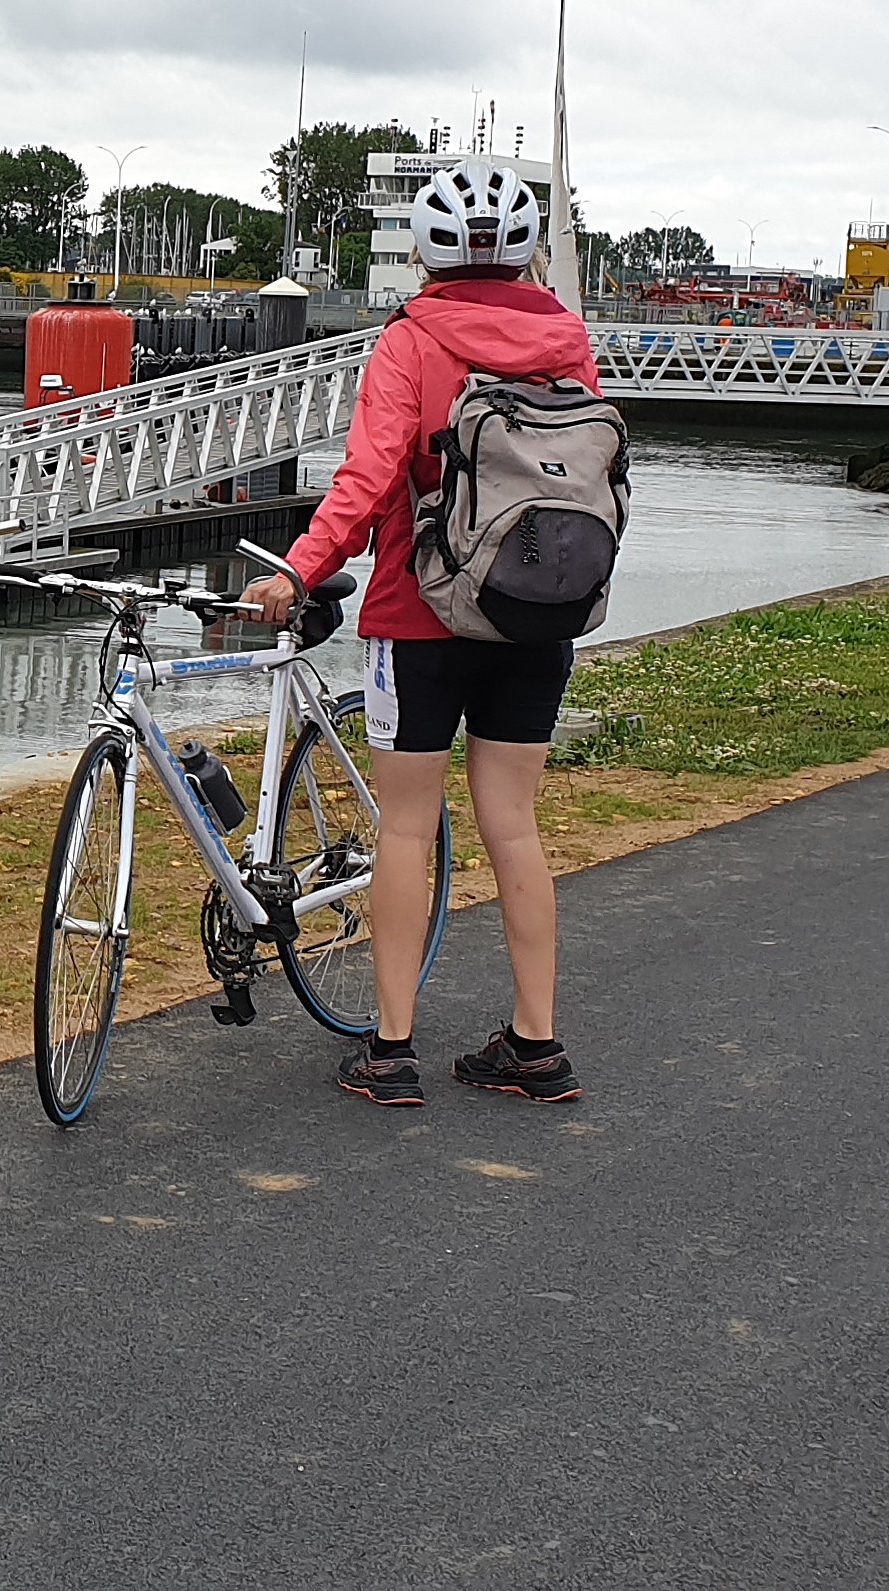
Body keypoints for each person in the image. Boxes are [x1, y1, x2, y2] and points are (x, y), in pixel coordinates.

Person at [241, 159, 595, 1108]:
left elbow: (365, 483)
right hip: (537, 610)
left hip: (420, 611)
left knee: (406, 825)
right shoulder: (568, 339)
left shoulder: (411, 339)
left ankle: (390, 1051)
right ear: (524, 249)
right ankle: (535, 1045)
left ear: (427, 252)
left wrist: (295, 572)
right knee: (514, 825)